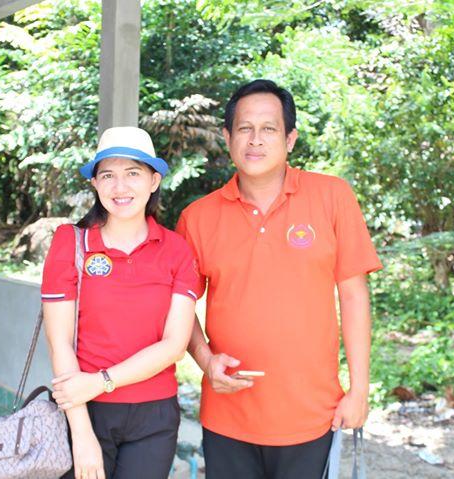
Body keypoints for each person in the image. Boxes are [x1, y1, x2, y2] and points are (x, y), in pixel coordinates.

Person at [175, 79, 382, 478]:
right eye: (244, 128)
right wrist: (205, 360)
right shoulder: (197, 218)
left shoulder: (332, 197)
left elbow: (354, 296)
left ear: (290, 139)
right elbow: (179, 309)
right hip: (227, 418)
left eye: (268, 128)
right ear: (227, 137)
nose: (255, 139)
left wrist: (359, 390)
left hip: (312, 415)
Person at [41, 127, 202, 479]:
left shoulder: (176, 250)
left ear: (154, 181)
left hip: (154, 417)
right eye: (108, 176)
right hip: (85, 410)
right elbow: (59, 343)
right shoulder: (71, 243)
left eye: (133, 173)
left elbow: (174, 345)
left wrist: (101, 381)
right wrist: (81, 434)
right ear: (95, 184)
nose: (120, 187)